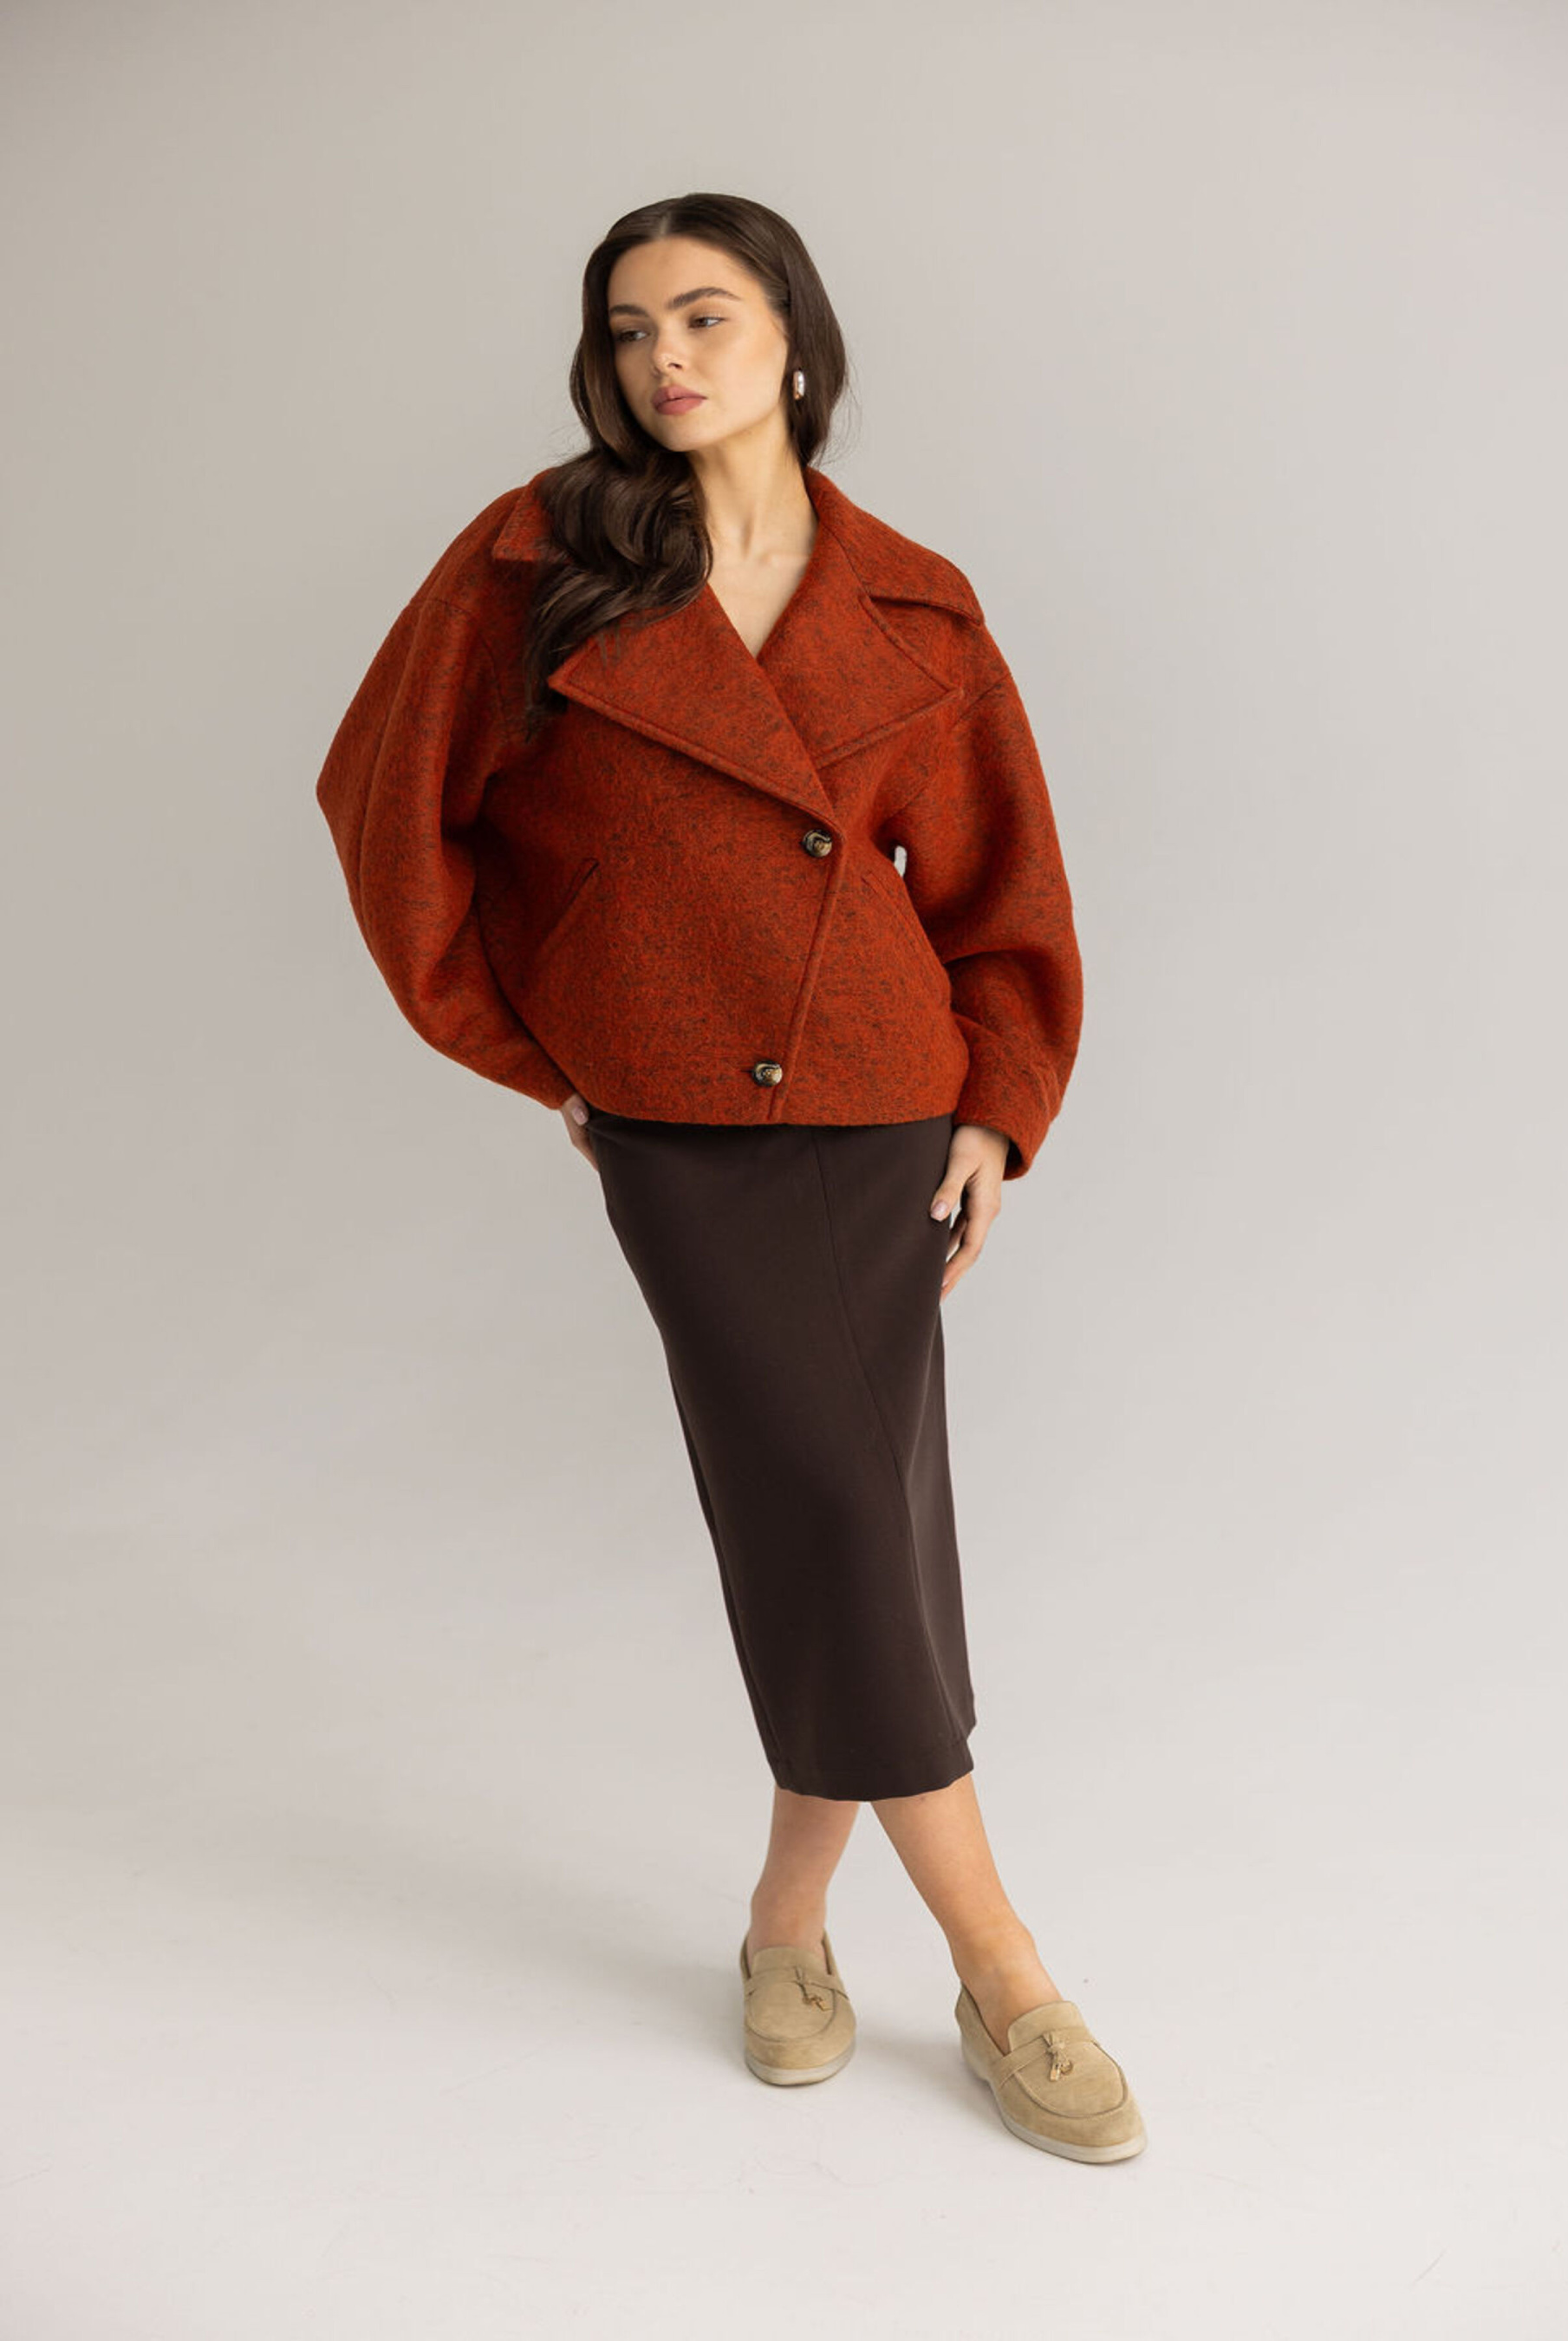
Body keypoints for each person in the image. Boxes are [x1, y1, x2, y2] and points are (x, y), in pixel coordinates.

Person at [315, 191, 1143, 2162]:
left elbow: (1005, 883)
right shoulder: (532, 567)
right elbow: (382, 814)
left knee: (836, 1519)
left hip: (882, 1102)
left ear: (792, 338)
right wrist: (549, 1052)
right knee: (843, 1512)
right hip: (682, 1118)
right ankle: (1004, 1967)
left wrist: (998, 1104)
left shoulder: (912, 602)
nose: (662, 357)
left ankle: (796, 1928)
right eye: (626, 328)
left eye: (701, 314)